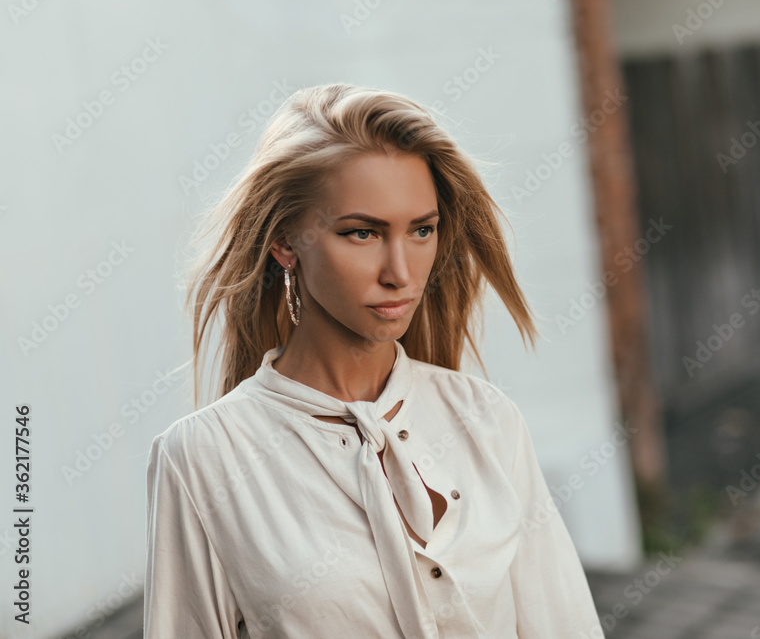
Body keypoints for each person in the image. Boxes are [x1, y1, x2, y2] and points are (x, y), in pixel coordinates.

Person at [143, 82, 606, 638]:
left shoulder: (487, 419)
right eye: (361, 232)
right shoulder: (203, 457)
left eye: (421, 230)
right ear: (285, 242)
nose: (401, 272)